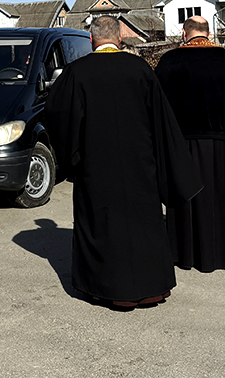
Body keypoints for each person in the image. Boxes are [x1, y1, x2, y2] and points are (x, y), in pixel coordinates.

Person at [45, 16, 202, 309]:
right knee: (144, 222)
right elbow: (161, 120)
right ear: (119, 38)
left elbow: (58, 116)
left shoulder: (76, 72)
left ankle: (106, 288)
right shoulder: (140, 69)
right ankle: (152, 288)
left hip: (96, 165)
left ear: (91, 40)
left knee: (102, 223)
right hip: (140, 163)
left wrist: (72, 158)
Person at [155, 16, 225, 273]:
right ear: (209, 33)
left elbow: (158, 101)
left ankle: (186, 254)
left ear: (184, 33)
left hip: (184, 141)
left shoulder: (171, 60)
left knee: (189, 198)